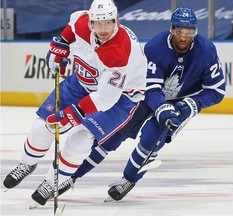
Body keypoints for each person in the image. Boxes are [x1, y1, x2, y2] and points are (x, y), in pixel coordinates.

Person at [58, 7, 226, 202]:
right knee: (112, 135)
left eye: (188, 32)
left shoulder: (206, 51)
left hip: (181, 103)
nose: (183, 37)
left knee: (152, 139)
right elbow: (151, 88)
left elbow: (217, 91)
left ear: (195, 32)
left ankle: (129, 179)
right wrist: (161, 106)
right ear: (171, 29)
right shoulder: (156, 47)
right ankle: (72, 176)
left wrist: (191, 104)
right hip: (147, 96)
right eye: (179, 31)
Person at [3, 0, 147, 206]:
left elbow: (106, 98)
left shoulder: (119, 50)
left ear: (116, 20)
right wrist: (61, 43)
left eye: (109, 23)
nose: (104, 29)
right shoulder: (81, 21)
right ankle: (27, 164)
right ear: (91, 22)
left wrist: (73, 113)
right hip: (83, 81)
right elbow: (71, 27)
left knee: (79, 139)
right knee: (41, 127)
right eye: (99, 23)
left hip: (122, 97)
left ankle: (52, 182)